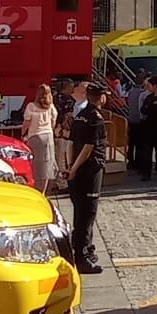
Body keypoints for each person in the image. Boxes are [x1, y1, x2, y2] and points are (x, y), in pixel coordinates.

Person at [67, 84, 107, 274]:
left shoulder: (79, 116)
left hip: (77, 169)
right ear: (101, 98)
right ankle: (81, 257)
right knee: (87, 213)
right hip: (90, 170)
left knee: (80, 211)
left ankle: (86, 249)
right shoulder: (96, 119)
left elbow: (70, 142)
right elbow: (88, 147)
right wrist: (75, 168)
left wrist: (69, 165)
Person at [20, 84, 58, 192]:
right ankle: (43, 191)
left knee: (35, 165)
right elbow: (53, 122)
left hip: (35, 136)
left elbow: (27, 123)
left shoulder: (31, 106)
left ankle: (35, 190)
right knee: (47, 165)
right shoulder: (51, 106)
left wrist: (23, 134)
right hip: (49, 136)